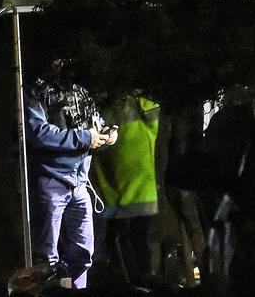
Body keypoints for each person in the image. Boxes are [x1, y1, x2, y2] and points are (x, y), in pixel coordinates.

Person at [24, 57, 118, 294]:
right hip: (51, 180)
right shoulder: (38, 91)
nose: (63, 64)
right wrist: (85, 138)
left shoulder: (81, 92)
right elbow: (38, 132)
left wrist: (107, 135)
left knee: (84, 253)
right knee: (47, 256)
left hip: (80, 183)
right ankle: (50, 292)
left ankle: (73, 291)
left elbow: (95, 125)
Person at [89, 96, 161, 289]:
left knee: (124, 245)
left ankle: (132, 283)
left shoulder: (107, 104)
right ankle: (141, 282)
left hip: (120, 193)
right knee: (137, 243)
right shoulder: (145, 104)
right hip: (138, 191)